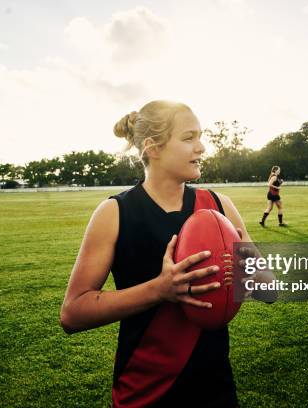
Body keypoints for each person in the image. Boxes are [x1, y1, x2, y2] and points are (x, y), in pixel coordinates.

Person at [60, 100, 275, 407]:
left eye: (201, 137)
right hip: (144, 394)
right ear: (153, 147)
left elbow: (269, 290)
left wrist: (250, 266)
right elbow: (72, 314)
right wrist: (160, 290)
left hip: (216, 392)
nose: (201, 148)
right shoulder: (114, 212)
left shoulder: (220, 206)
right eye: (189, 138)